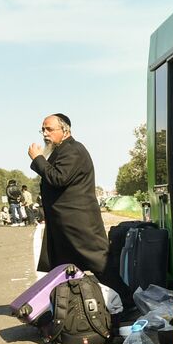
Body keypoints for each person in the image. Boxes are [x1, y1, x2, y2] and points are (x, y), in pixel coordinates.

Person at [28, 113, 108, 273]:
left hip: (79, 225)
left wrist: (38, 158)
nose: (45, 134)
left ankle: (126, 298)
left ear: (65, 130)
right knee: (66, 273)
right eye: (43, 130)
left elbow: (58, 178)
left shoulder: (73, 150)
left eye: (49, 129)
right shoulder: (61, 151)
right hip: (65, 225)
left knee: (101, 269)